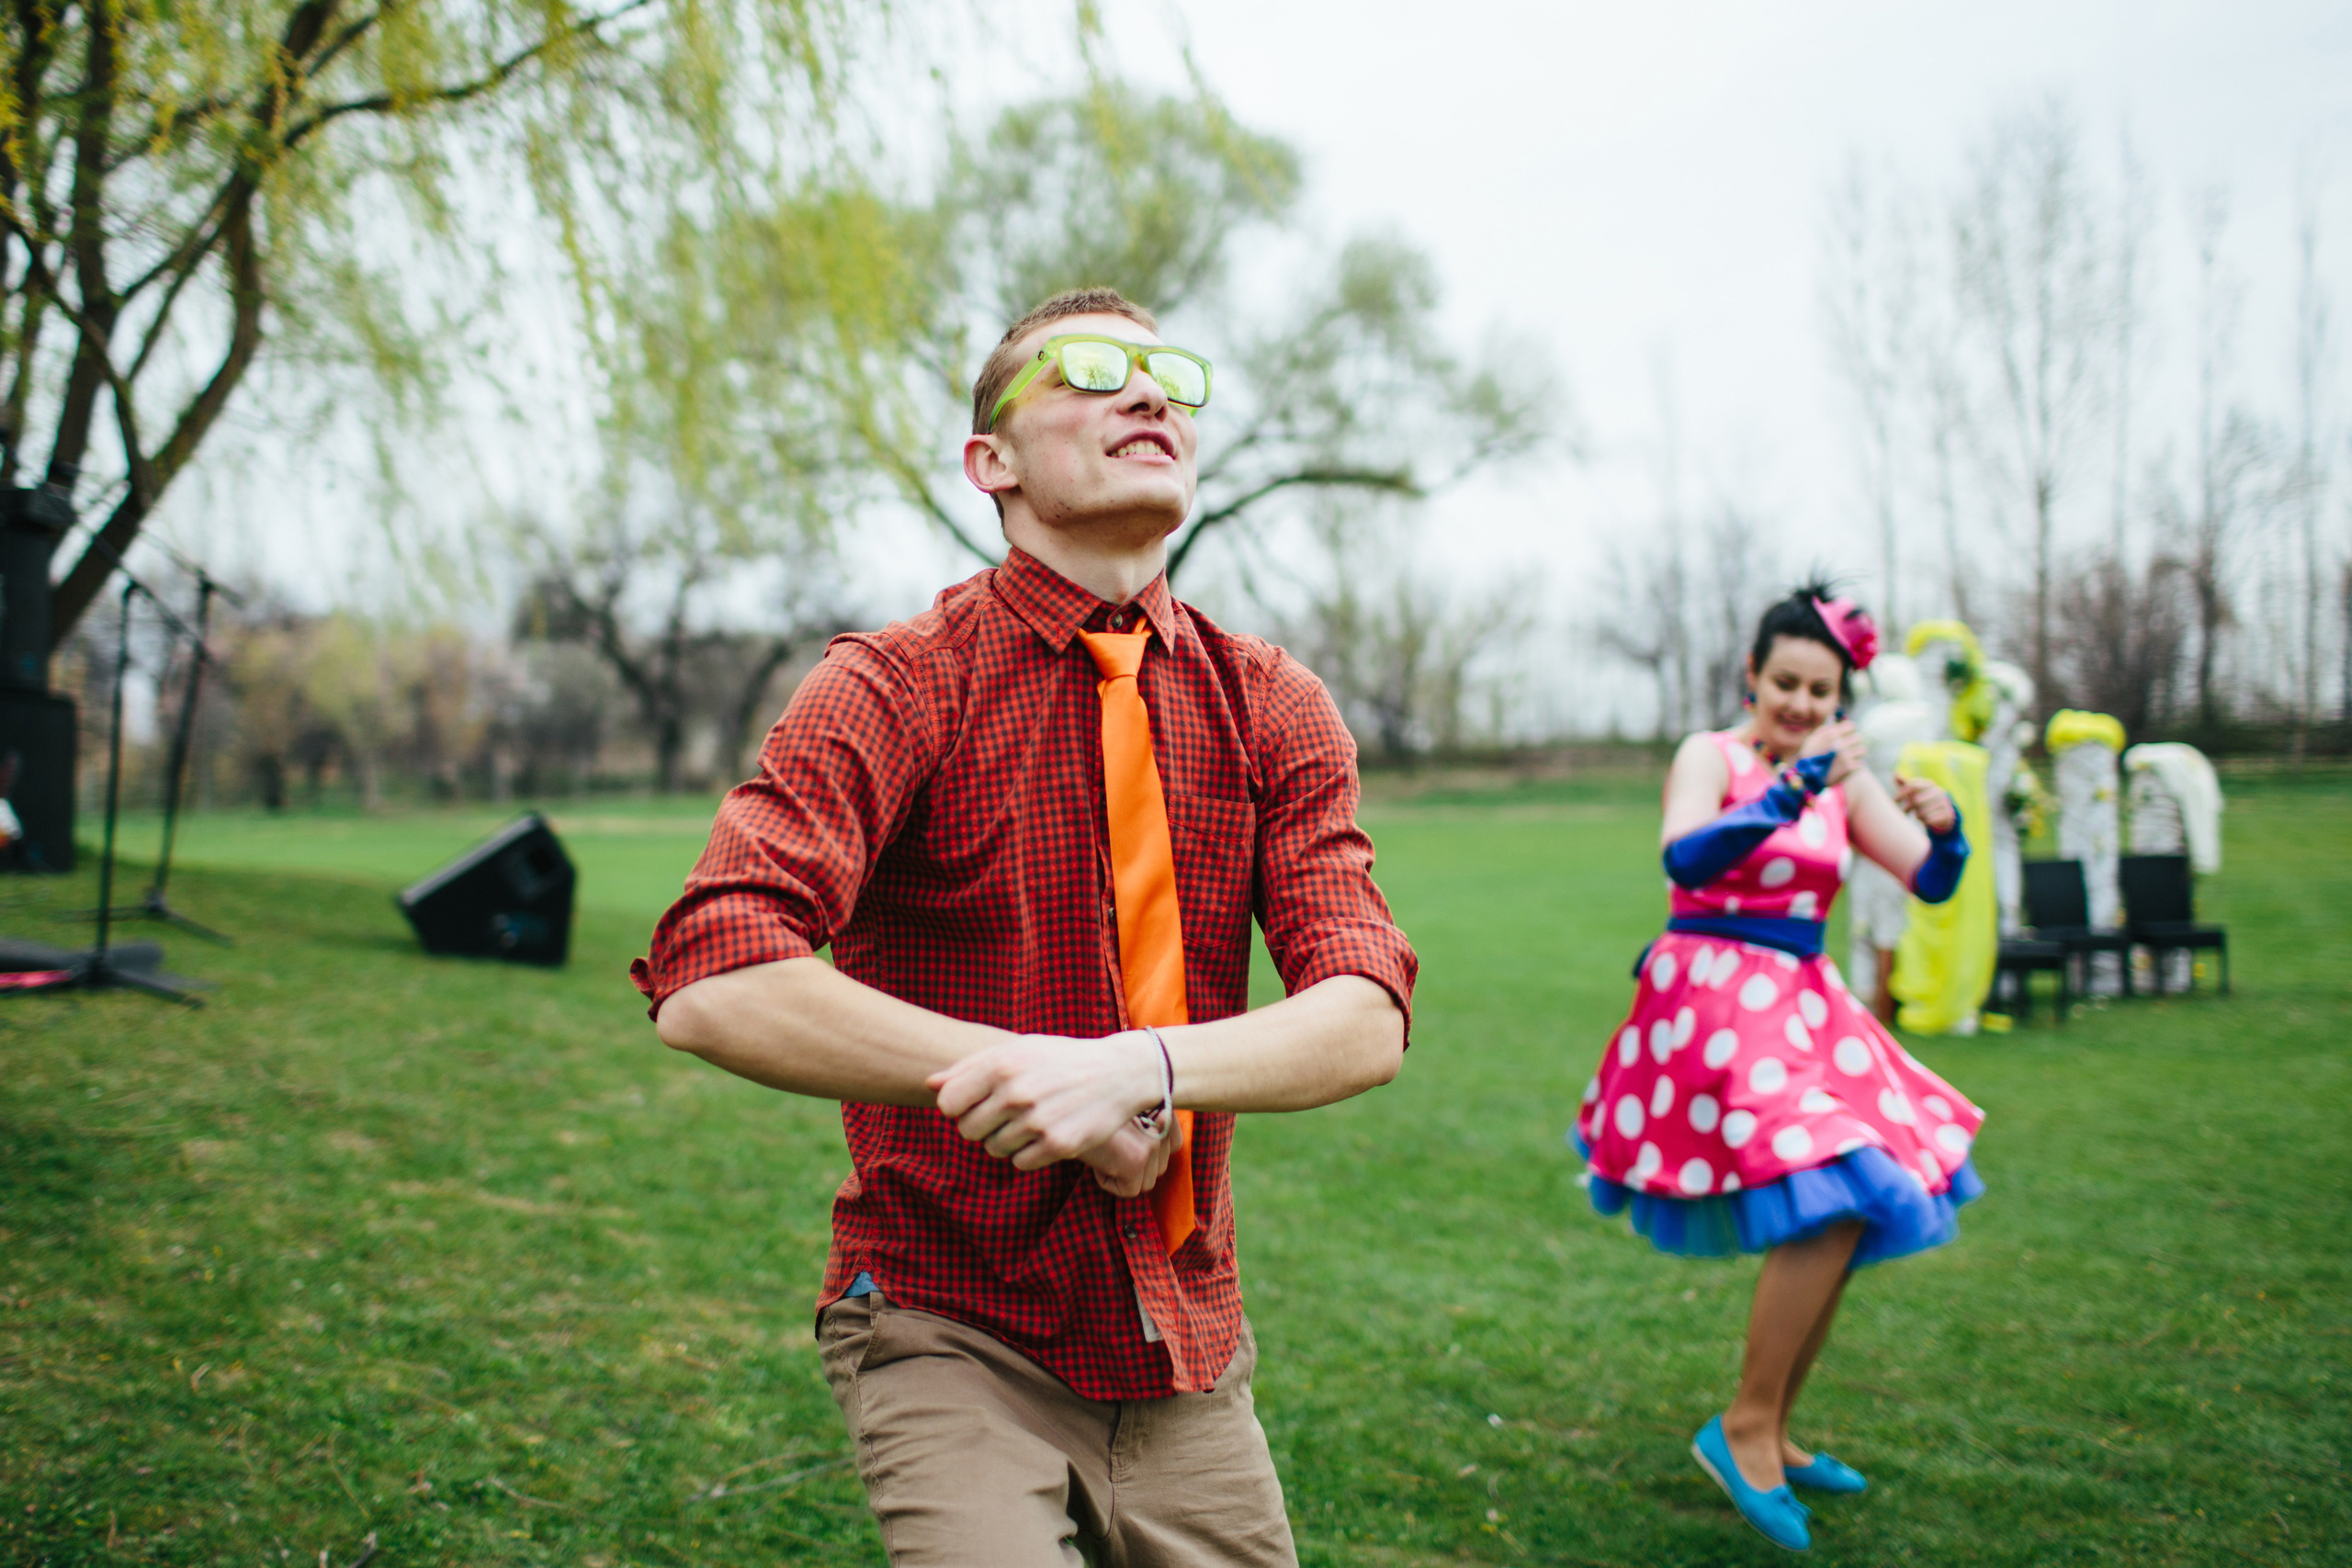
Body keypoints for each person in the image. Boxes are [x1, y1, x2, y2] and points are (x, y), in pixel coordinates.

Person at [633, 287, 1416, 1567]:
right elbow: (715, 973)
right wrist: (1035, 1075)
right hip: (948, 1327)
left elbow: (1365, 1015)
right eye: (1091, 370)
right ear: (988, 461)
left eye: (1171, 377)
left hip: (1186, 1348)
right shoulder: (893, 683)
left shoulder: (1274, 704)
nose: (1149, 393)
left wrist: (1135, 1068)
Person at [1569, 584, 1984, 1551]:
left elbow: (1929, 879)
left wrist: (1949, 827)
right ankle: (1745, 1426)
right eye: (1785, 683)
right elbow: (1686, 859)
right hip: (1712, 998)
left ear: (1841, 698)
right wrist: (1792, 787)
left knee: (1859, 1194)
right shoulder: (1710, 756)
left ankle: (1774, 1427)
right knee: (1835, 1187)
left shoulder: (1843, 775)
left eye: (1820, 691)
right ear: (1751, 676)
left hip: (1801, 1002)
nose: (1801, 704)